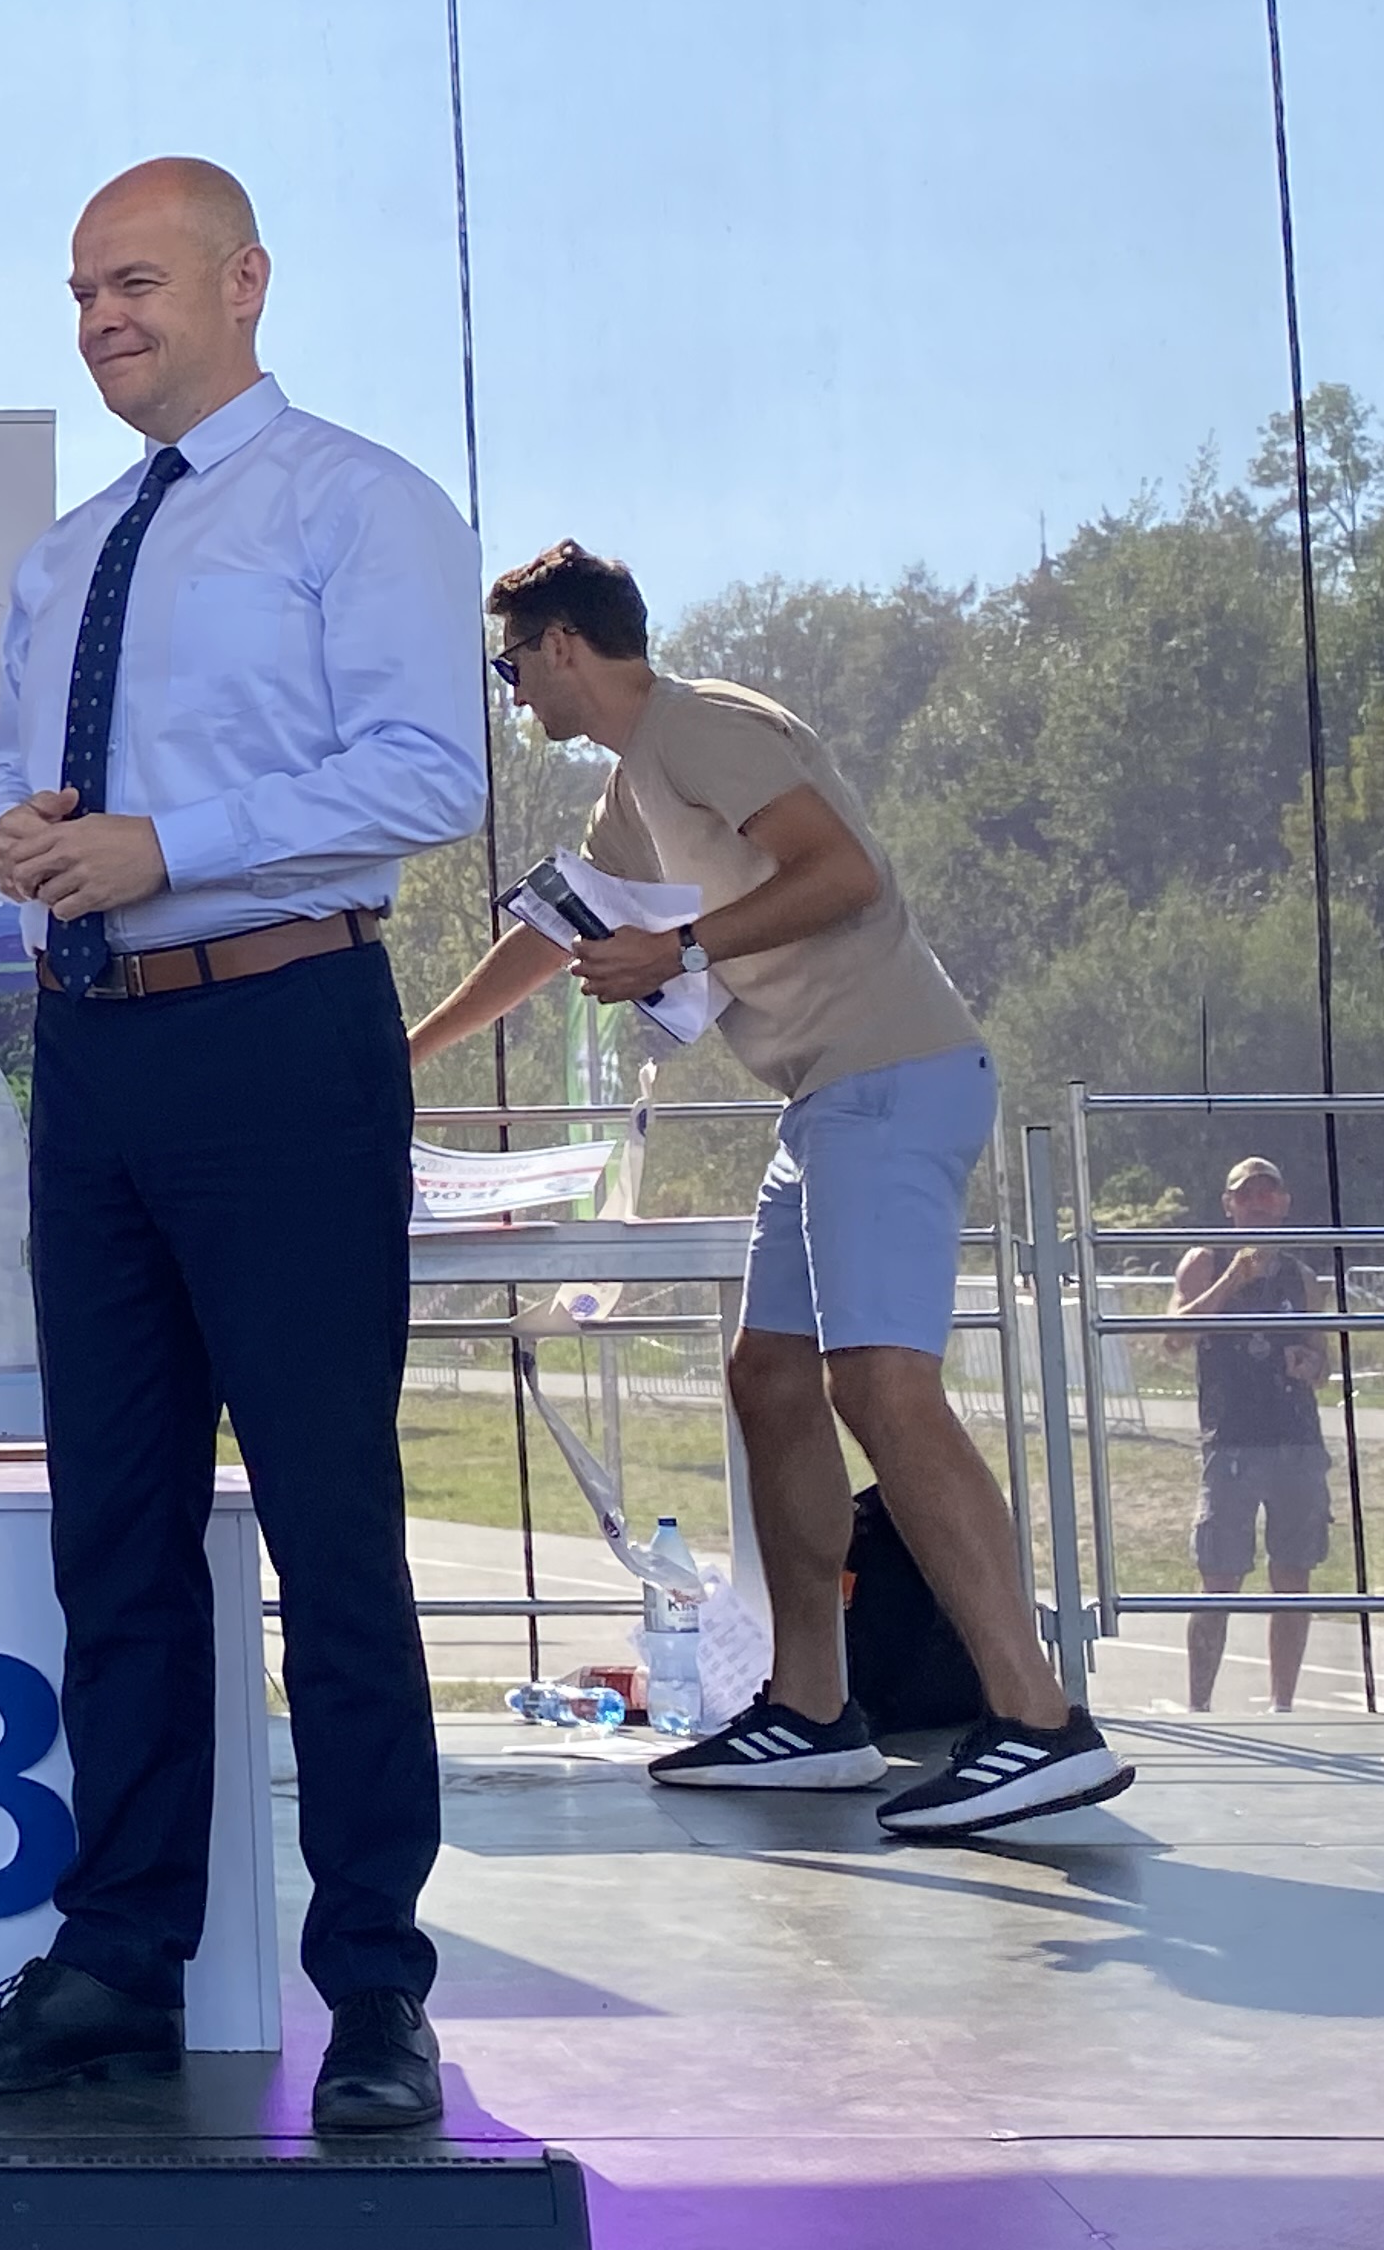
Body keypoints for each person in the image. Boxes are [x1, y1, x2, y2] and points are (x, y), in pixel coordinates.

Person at [0, 160, 481, 2136]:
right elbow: (6, 783)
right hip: (98, 1056)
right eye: (79, 292)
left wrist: (164, 846)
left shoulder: (356, 502)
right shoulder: (67, 555)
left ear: (246, 281)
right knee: (115, 1531)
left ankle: (376, 1988)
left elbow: (429, 772)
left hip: (284, 1034)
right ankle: (118, 1962)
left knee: (331, 1528)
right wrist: (17, 837)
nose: (102, 319)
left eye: (134, 281)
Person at [412, 542, 1130, 1836]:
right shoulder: (635, 787)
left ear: (564, 645)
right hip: (824, 1102)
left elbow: (845, 872)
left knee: (883, 1387)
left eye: (511, 666)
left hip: (890, 1077)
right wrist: (404, 1054)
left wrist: (681, 946)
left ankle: (1037, 1718)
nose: (511, 692)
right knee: (769, 1376)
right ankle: (811, 1710)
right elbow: (555, 936)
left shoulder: (701, 728)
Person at [1166, 1158, 1328, 1713]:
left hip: (1296, 1438)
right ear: (1229, 1205)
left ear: (1284, 1203)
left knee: (1294, 1575)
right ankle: (1199, 1706)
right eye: (1246, 1196)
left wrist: (1311, 1365)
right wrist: (1232, 1280)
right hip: (1231, 1439)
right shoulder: (1205, 1261)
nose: (1257, 1204)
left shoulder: (1301, 1277)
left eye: (1267, 1195)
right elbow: (1172, 1336)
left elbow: (1323, 1360)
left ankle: (1283, 1705)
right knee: (1219, 1577)